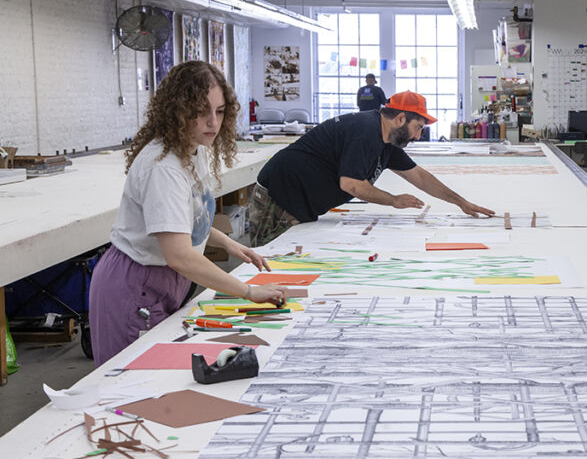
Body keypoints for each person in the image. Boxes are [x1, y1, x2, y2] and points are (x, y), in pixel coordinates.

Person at [90, 61, 286, 366]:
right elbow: (180, 255)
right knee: (132, 382)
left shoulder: (194, 148)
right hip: (135, 285)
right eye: (200, 111)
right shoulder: (164, 167)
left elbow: (188, 217)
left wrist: (227, 243)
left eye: (219, 111)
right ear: (178, 110)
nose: (212, 122)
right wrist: (248, 291)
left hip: (162, 282)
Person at [250, 91, 494, 246]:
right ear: (400, 119)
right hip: (278, 198)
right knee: (266, 264)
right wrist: (393, 200)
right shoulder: (366, 131)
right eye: (418, 127)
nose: (418, 136)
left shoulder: (387, 142)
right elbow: (351, 183)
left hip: (300, 202)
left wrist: (461, 202)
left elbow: (419, 176)